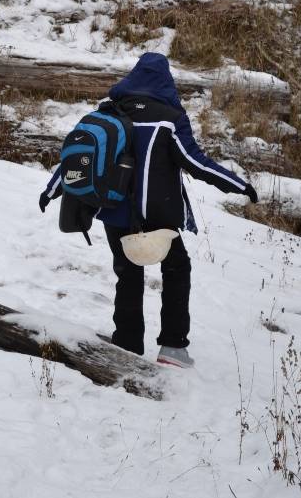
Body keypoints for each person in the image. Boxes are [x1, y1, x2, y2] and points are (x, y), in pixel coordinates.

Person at [39, 52, 258, 368]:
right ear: (165, 82)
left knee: (128, 274)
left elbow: (77, 157)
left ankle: (127, 344)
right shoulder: (169, 119)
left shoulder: (109, 112)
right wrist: (238, 185)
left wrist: (50, 192)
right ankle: (173, 348)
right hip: (158, 216)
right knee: (176, 270)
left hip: (114, 211)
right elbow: (196, 163)